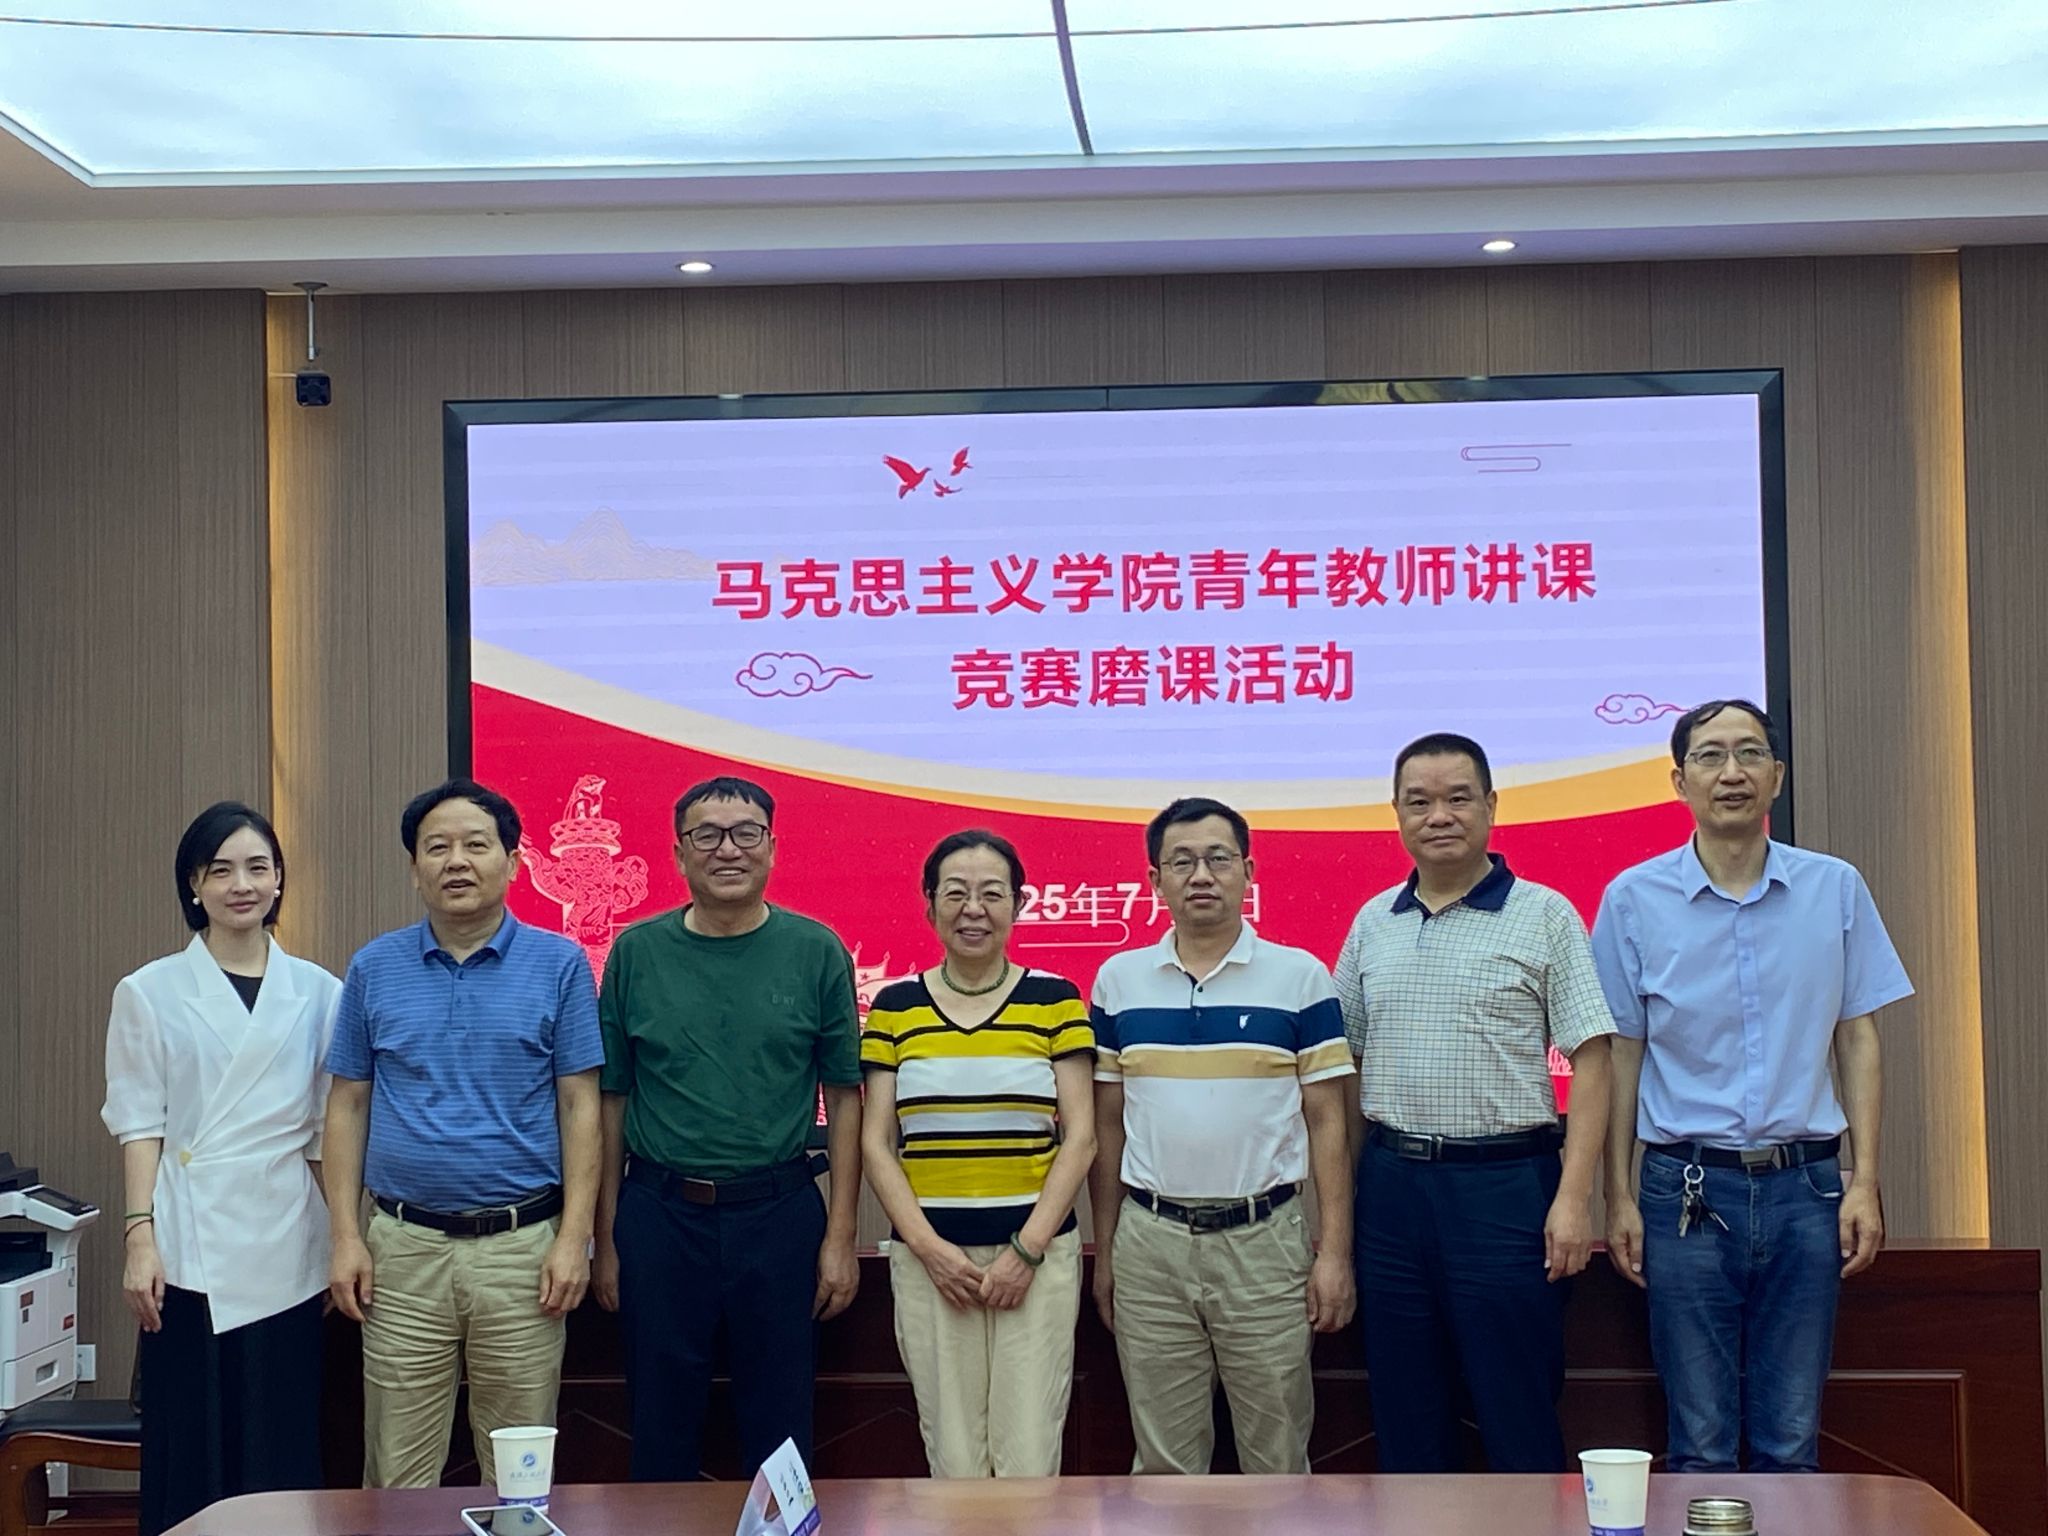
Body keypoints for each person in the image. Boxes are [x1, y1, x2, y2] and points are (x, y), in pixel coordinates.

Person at [1592, 698, 1911, 1474]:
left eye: (1749, 753)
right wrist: (1618, 1195)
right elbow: (1621, 1055)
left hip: (1809, 1189)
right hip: (1685, 1189)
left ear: (1777, 776)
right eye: (1709, 755)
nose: (1730, 772)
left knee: (1791, 1442)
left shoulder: (1835, 888)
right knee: (1699, 1443)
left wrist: (1865, 1181)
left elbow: (1857, 1038)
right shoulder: (1632, 899)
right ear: (1679, 781)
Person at [1334, 732, 1614, 1474]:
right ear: (1396, 813)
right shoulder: (1373, 922)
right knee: (1405, 1411)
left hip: (1506, 1191)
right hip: (1391, 1190)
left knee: (1515, 1407)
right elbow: (1344, 1068)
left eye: (1458, 798)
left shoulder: (1544, 914)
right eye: (1419, 802)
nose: (1439, 816)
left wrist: (1574, 1199)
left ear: (1490, 806)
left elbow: (1594, 1060)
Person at [323, 778, 603, 1489]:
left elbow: (581, 1107)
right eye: (436, 847)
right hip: (402, 1251)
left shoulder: (560, 964)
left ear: (512, 861)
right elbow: (347, 1105)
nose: (456, 861)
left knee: (518, 1473)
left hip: (522, 1252)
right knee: (397, 1472)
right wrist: (346, 1236)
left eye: (476, 845)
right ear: (414, 867)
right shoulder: (374, 967)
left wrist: (574, 1238)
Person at [591, 775, 863, 1481]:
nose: (728, 849)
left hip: (779, 1214)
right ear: (678, 854)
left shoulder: (817, 950)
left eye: (747, 833)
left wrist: (840, 1238)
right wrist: (606, 1237)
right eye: (706, 835)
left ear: (772, 847)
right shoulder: (636, 952)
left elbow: (846, 1098)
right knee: (659, 1424)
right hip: (659, 1216)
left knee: (781, 1431)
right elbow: (611, 1102)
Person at [1087, 796, 1356, 1476]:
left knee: (1276, 1458)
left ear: (1248, 871)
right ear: (1155, 880)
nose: (1201, 875)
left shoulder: (1300, 978)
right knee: (1165, 1466)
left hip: (1265, 1243)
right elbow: (1108, 1127)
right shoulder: (1118, 982)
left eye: (1218, 859)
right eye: (1181, 862)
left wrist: (1334, 1254)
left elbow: (1329, 1124)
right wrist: (1108, 1252)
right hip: (1151, 1245)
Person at [102, 801, 343, 1536]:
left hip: (288, 1241)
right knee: (194, 1437)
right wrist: (139, 1237)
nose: (242, 885)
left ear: (279, 881)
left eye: (258, 868)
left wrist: (345, 1238)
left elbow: (327, 1133)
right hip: (187, 1244)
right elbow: (140, 1124)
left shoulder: (320, 992)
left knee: (281, 1435)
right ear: (193, 884)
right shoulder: (148, 990)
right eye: (221, 870)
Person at [860, 829, 1097, 1478]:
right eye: (956, 893)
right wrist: (930, 1250)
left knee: (1028, 1458)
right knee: (956, 1458)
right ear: (929, 904)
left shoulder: (1054, 1000)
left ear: (1019, 904)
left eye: (992, 894)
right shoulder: (895, 1007)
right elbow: (877, 1143)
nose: (974, 909)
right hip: (933, 1263)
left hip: (1037, 1261)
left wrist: (1027, 1251)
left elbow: (1081, 1136)